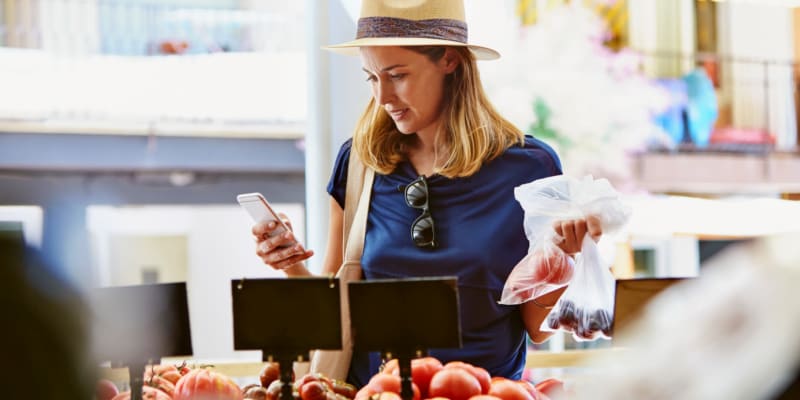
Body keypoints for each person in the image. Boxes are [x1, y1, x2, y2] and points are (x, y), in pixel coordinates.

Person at [252, 0, 602, 387]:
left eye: (397, 75)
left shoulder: (529, 168)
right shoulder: (360, 163)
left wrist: (563, 259)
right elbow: (333, 312)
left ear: (449, 60)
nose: (383, 96)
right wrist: (289, 262)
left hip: (486, 395)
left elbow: (538, 329)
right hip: (375, 395)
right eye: (371, 77)